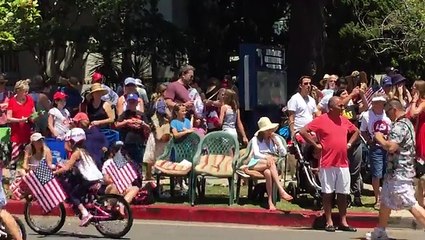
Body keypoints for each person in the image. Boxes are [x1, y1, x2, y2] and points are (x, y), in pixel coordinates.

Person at [366, 99, 425, 239]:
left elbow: (391, 147)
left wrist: (379, 137)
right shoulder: (407, 123)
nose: (387, 115)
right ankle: (380, 231)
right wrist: (387, 139)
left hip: (400, 172)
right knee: (385, 200)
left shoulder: (399, 125)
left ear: (394, 109)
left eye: (388, 112)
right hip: (395, 171)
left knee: (410, 203)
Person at [299, 96, 359, 232]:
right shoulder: (321, 120)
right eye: (340, 106)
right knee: (327, 193)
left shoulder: (344, 120)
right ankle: (329, 221)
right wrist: (315, 144)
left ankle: (343, 222)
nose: (343, 108)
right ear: (331, 108)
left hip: (343, 163)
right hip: (327, 163)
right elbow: (303, 131)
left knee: (343, 193)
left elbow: (356, 131)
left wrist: (349, 143)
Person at [239, 117, 293, 210]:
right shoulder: (256, 139)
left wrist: (278, 144)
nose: (270, 131)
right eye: (267, 130)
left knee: (268, 172)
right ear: (262, 131)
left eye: (270, 129)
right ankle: (281, 190)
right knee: (270, 163)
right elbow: (256, 154)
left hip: (269, 164)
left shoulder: (275, 138)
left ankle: (270, 201)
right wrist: (267, 157)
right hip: (257, 162)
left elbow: (284, 153)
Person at [53, 128, 104, 226]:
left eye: (68, 141)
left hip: (88, 179)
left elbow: (67, 168)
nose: (66, 144)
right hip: (95, 178)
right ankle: (86, 208)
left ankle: (85, 213)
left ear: (72, 142)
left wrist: (55, 172)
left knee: (73, 195)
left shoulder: (76, 153)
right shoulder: (84, 151)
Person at [360, 93, 391, 210]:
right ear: (373, 103)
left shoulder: (387, 115)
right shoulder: (367, 116)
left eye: (381, 103)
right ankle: (377, 198)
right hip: (376, 147)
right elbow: (362, 131)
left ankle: (386, 197)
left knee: (387, 173)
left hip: (388, 146)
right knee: (377, 173)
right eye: (377, 102)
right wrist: (369, 141)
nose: (379, 105)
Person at [7, 79, 36, 181]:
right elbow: (8, 118)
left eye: (27, 91)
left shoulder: (30, 100)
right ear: (18, 91)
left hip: (28, 132)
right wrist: (20, 120)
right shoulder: (11, 101)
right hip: (17, 134)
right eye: (24, 91)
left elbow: (34, 113)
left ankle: (29, 180)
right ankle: (9, 179)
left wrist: (34, 117)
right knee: (14, 157)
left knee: (29, 157)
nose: (26, 93)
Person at [143, 84, 171, 180]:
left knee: (151, 152)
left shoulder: (154, 101)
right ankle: (159, 173)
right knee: (159, 151)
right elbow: (160, 111)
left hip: (154, 128)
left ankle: (149, 174)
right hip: (160, 128)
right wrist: (167, 115)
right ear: (162, 92)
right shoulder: (161, 101)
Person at [115, 93, 150, 169]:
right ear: (127, 102)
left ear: (137, 103)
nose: (131, 104)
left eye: (133, 102)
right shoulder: (124, 114)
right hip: (127, 142)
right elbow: (117, 125)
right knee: (127, 163)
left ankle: (139, 178)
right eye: (130, 102)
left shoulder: (141, 114)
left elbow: (149, 127)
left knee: (138, 163)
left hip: (139, 142)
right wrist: (127, 122)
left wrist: (142, 123)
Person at [409, 80, 425, 207]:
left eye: (414, 87)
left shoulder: (423, 103)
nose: (411, 88)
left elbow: (414, 113)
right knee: (418, 176)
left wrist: (414, 100)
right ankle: (420, 203)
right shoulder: (417, 102)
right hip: (418, 133)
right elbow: (408, 114)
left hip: (423, 135)